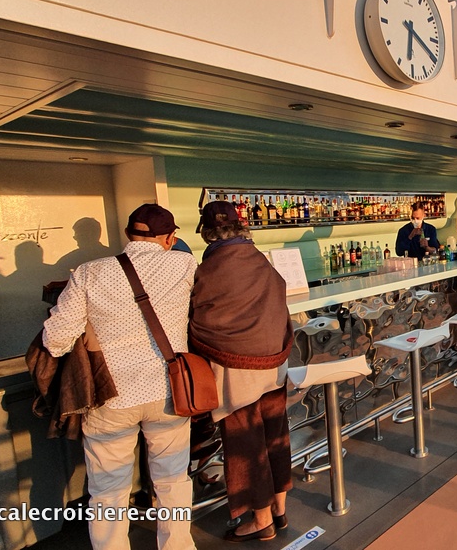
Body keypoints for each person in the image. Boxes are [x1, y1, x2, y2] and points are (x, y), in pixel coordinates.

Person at [42, 203, 197, 550]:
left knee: (108, 490)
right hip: (168, 391)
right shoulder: (184, 264)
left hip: (110, 395)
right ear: (170, 238)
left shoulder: (88, 272)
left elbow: (55, 341)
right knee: (173, 480)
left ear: (127, 234)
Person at [189, 201, 295, 541]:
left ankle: (260, 520)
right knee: (276, 436)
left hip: (236, 370)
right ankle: (279, 510)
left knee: (245, 443)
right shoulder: (259, 259)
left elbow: (200, 319)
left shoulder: (210, 268)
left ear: (207, 233)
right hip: (275, 363)